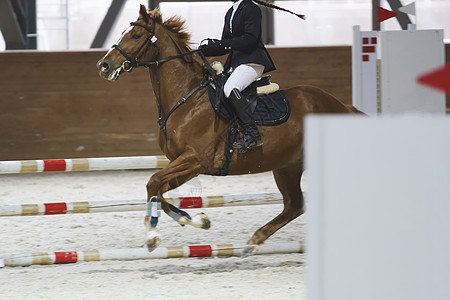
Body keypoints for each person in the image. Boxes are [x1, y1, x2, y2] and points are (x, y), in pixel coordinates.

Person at [200, 0, 305, 153]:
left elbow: (250, 39)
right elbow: (226, 44)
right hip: (236, 64)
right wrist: (206, 50)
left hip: (252, 61)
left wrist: (222, 44)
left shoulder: (251, 8)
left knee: (230, 88)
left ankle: (252, 133)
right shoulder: (231, 11)